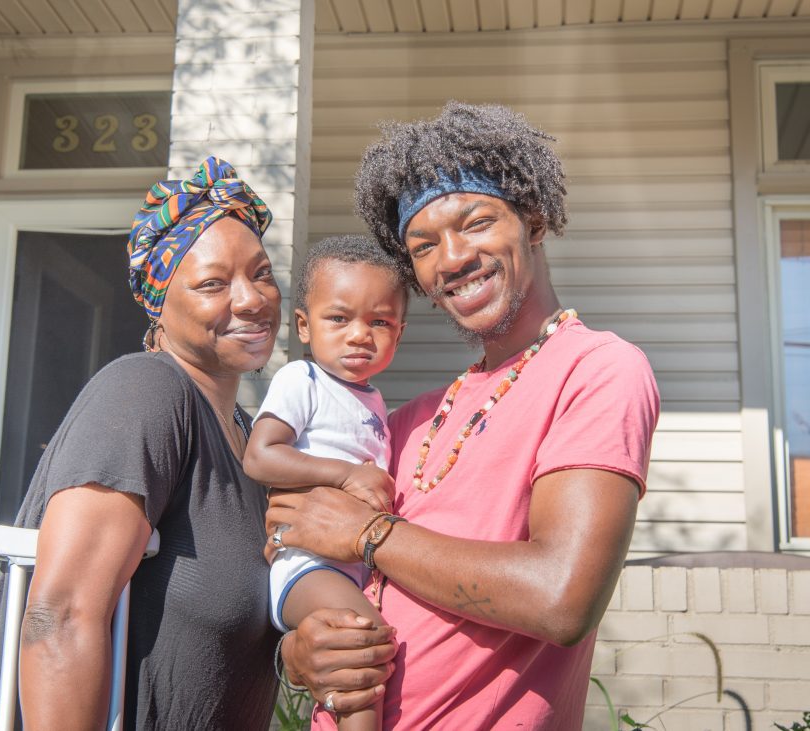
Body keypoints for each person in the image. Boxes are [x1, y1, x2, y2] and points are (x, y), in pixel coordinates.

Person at [270, 103, 661, 730]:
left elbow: (561, 597)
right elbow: (309, 548)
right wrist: (299, 652)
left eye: (475, 222)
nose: (450, 258)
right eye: (423, 246)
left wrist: (370, 532)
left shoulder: (595, 369)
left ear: (532, 221)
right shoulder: (405, 423)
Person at [0, 157, 283, 730]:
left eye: (262, 272)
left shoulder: (249, 438)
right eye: (213, 283)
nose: (250, 299)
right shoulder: (145, 392)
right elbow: (61, 618)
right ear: (159, 304)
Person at [243, 235, 408, 731]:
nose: (360, 334)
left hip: (352, 567)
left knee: (365, 655)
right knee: (363, 644)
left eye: (379, 322)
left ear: (398, 334)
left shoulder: (375, 402)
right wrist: (345, 474)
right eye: (339, 318)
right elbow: (260, 455)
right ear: (305, 326)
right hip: (308, 565)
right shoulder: (303, 380)